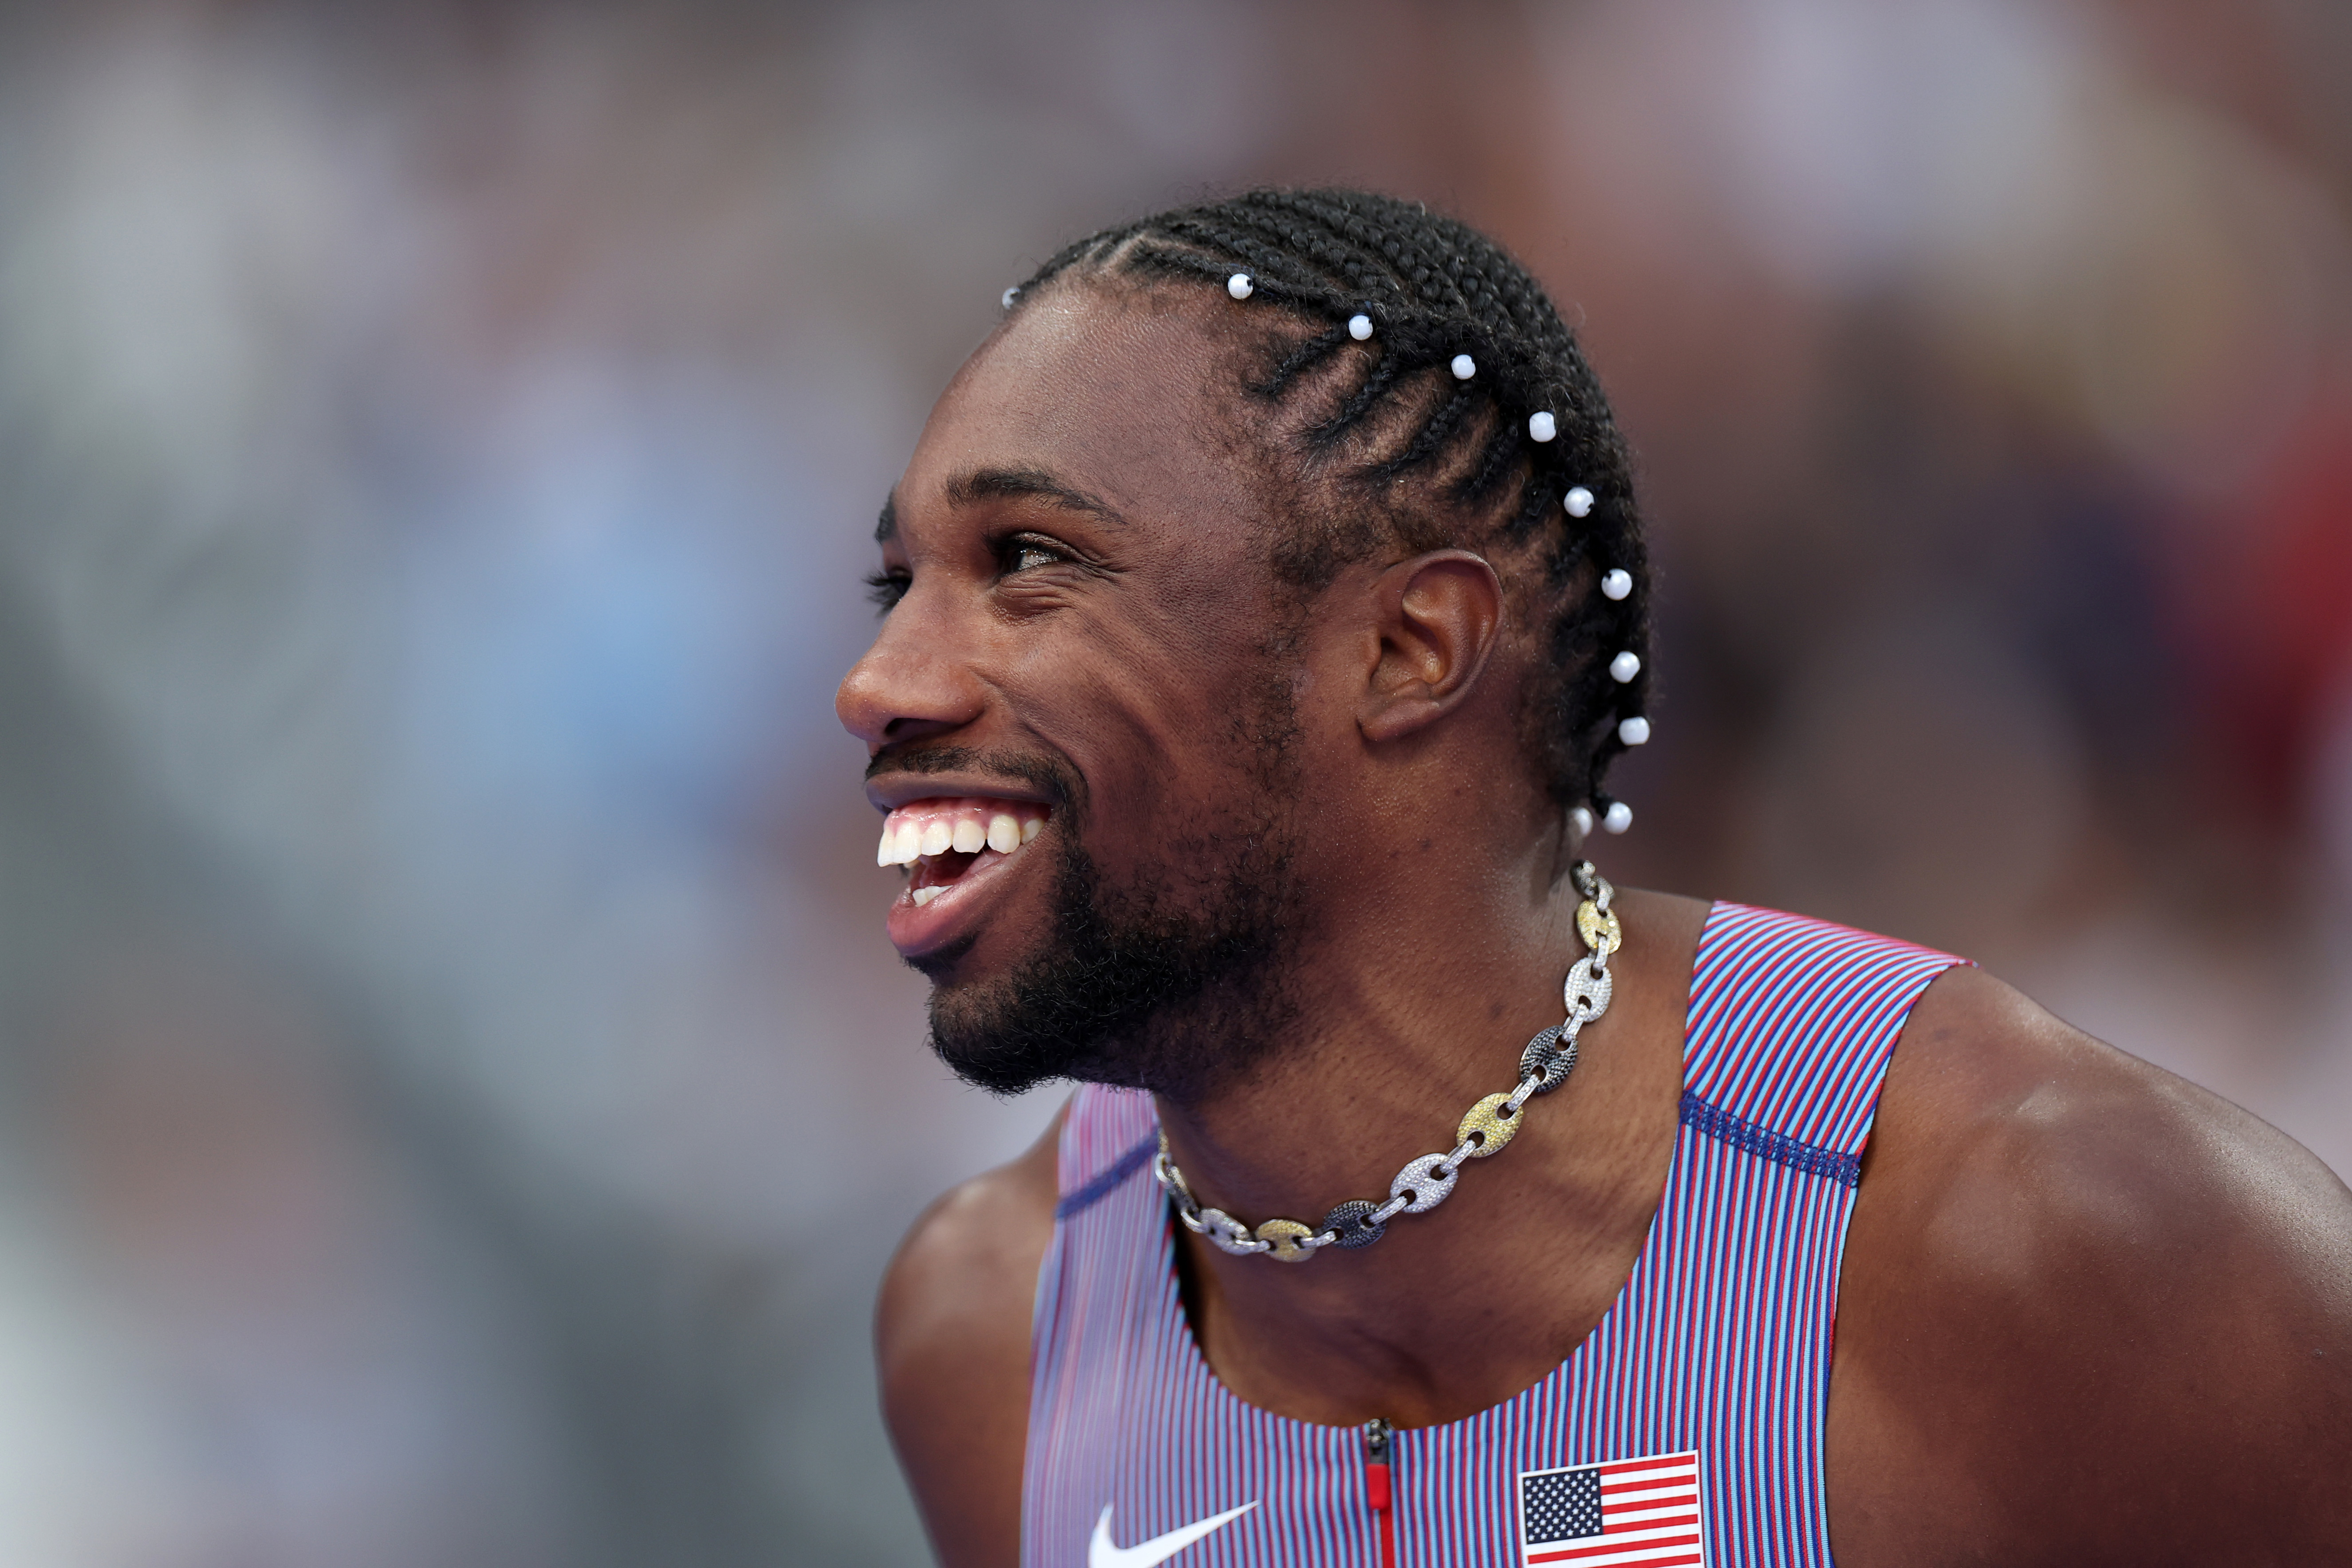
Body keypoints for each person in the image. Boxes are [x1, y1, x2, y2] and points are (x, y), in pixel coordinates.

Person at [836, 189, 2352, 1568]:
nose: (879, 682)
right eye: (900, 584)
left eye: (1030, 559)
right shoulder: (991, 1336)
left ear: (1408, 650)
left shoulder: (2064, 1246)